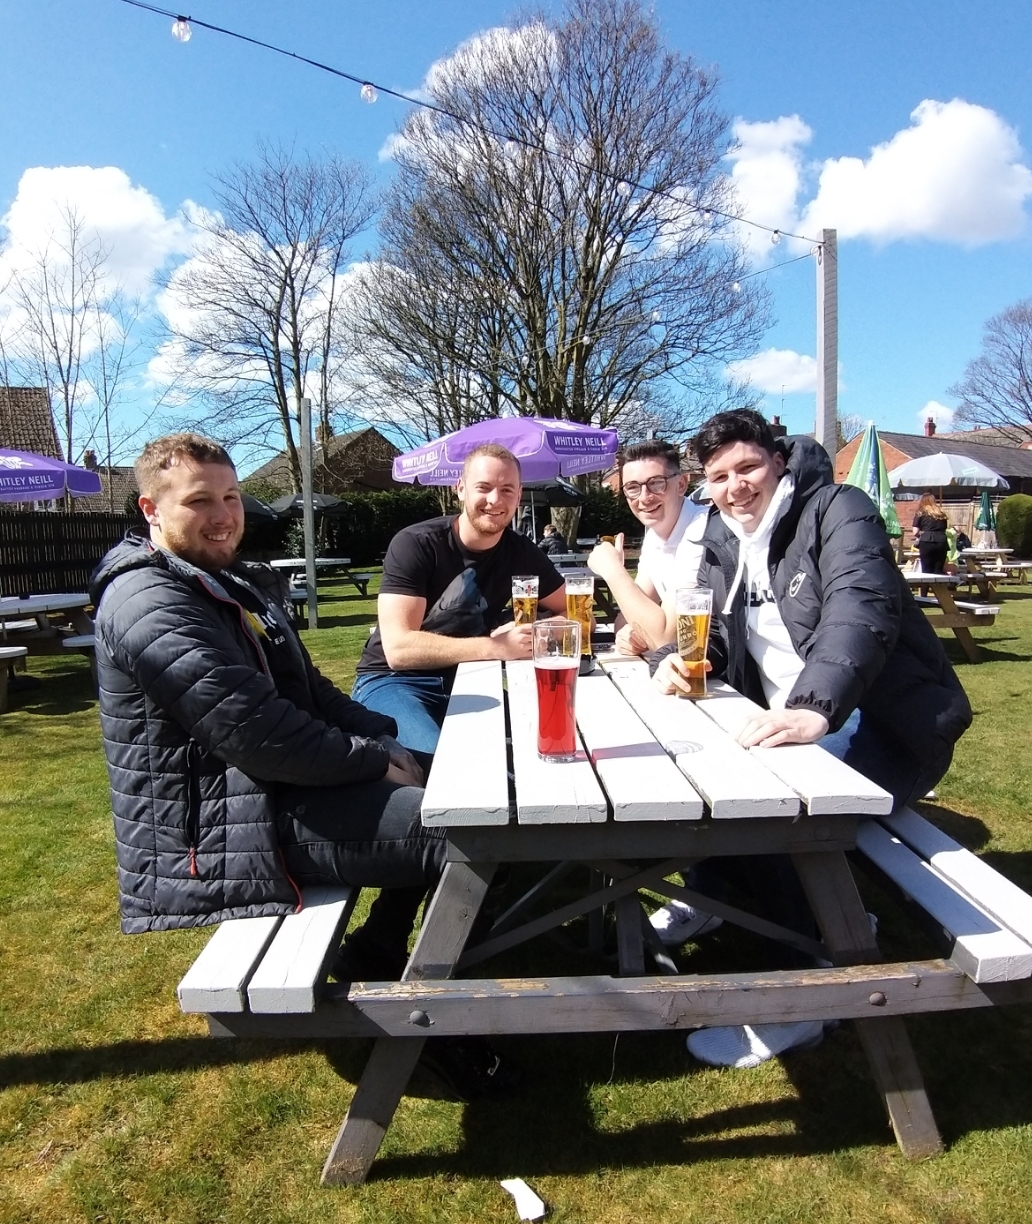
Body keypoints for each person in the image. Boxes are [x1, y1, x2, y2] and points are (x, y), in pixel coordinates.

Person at [91, 433, 515, 1098]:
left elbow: (309, 691)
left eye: (230, 496)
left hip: (268, 794)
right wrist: (373, 762)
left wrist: (384, 740)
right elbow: (256, 734)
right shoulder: (149, 601)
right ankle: (436, 1025)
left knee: (449, 785)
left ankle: (380, 949)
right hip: (227, 829)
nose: (224, 514)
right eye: (200, 500)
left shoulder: (220, 581)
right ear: (150, 508)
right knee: (471, 831)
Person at [650, 409, 972, 1069]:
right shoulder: (716, 536)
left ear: (776, 460)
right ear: (703, 485)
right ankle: (744, 903)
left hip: (886, 726)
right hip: (792, 724)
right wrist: (672, 661)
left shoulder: (838, 510)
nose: (736, 486)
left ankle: (815, 986)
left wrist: (815, 708)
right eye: (719, 476)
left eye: (747, 468)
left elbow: (863, 606)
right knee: (703, 798)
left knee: (766, 818)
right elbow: (707, 631)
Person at [352, 444, 567, 752]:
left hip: (473, 679)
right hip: (394, 681)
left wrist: (534, 629)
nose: (495, 500)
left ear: (519, 497)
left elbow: (573, 612)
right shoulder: (417, 544)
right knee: (442, 768)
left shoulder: (521, 552)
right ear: (461, 489)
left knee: (530, 749)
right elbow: (398, 649)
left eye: (507, 490)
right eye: (484, 487)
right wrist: (496, 647)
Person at [587, 439, 708, 656]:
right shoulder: (654, 536)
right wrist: (628, 634)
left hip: (730, 678)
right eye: (633, 487)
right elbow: (626, 619)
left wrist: (613, 570)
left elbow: (667, 637)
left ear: (681, 484)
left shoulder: (701, 531)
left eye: (656, 483)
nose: (644, 497)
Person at [912, 493, 949, 575]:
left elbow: (915, 532)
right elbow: (945, 528)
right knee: (938, 570)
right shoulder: (941, 512)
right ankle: (938, 587)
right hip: (941, 540)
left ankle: (925, 588)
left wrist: (920, 536)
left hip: (926, 540)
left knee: (926, 571)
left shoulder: (920, 512)